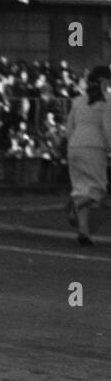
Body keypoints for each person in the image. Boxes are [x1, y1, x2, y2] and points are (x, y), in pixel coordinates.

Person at [65, 65, 111, 246]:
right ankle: (74, 207)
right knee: (99, 190)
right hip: (94, 147)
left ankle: (83, 232)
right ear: (103, 81)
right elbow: (108, 128)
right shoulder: (107, 101)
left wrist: (72, 143)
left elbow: (69, 128)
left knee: (80, 189)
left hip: (75, 146)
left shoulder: (78, 101)